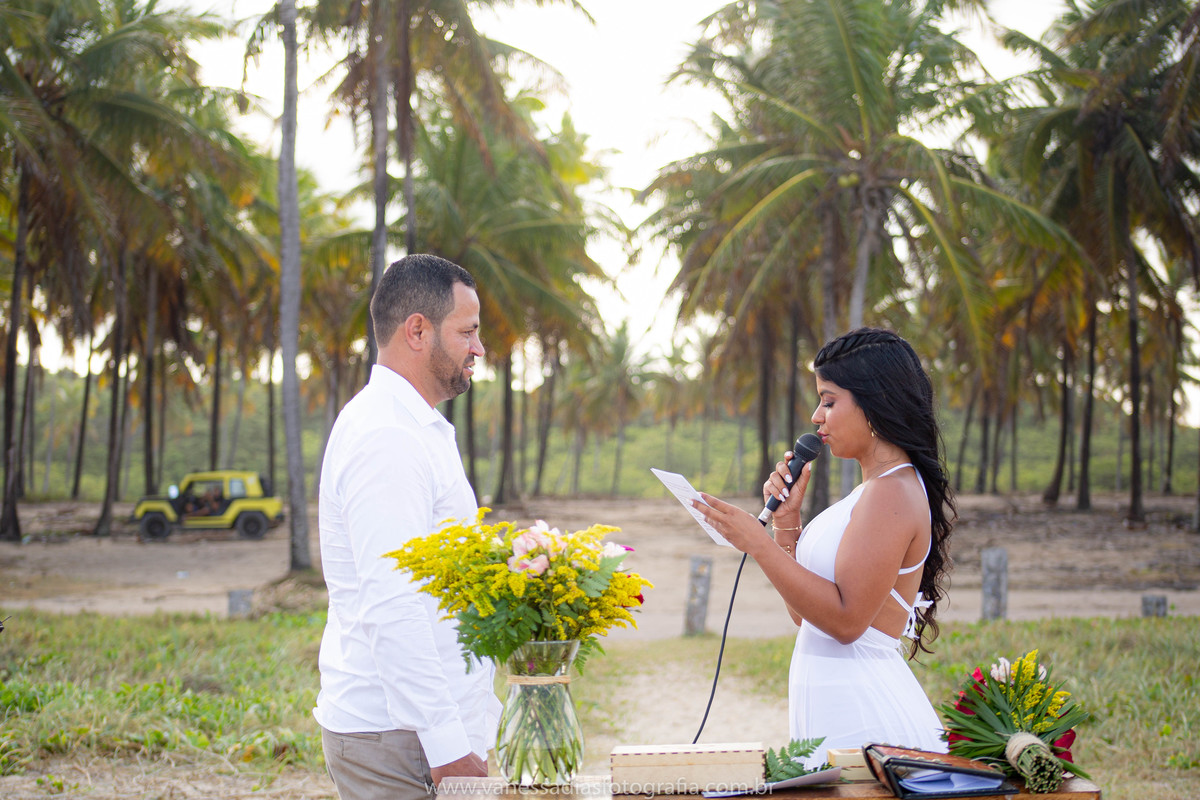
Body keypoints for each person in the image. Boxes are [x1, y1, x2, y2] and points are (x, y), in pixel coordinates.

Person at [693, 327, 954, 767]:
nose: (817, 416)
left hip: (865, 718)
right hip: (834, 706)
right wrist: (786, 524)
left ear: (875, 404)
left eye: (829, 401)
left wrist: (759, 545)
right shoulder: (871, 490)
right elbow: (807, 616)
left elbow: (847, 622)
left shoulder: (891, 492)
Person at [313, 254, 499, 800]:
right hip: (400, 739)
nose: (479, 349)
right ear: (417, 330)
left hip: (421, 732)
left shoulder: (418, 428)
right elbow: (392, 602)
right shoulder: (386, 438)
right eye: (468, 332)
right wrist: (447, 747)